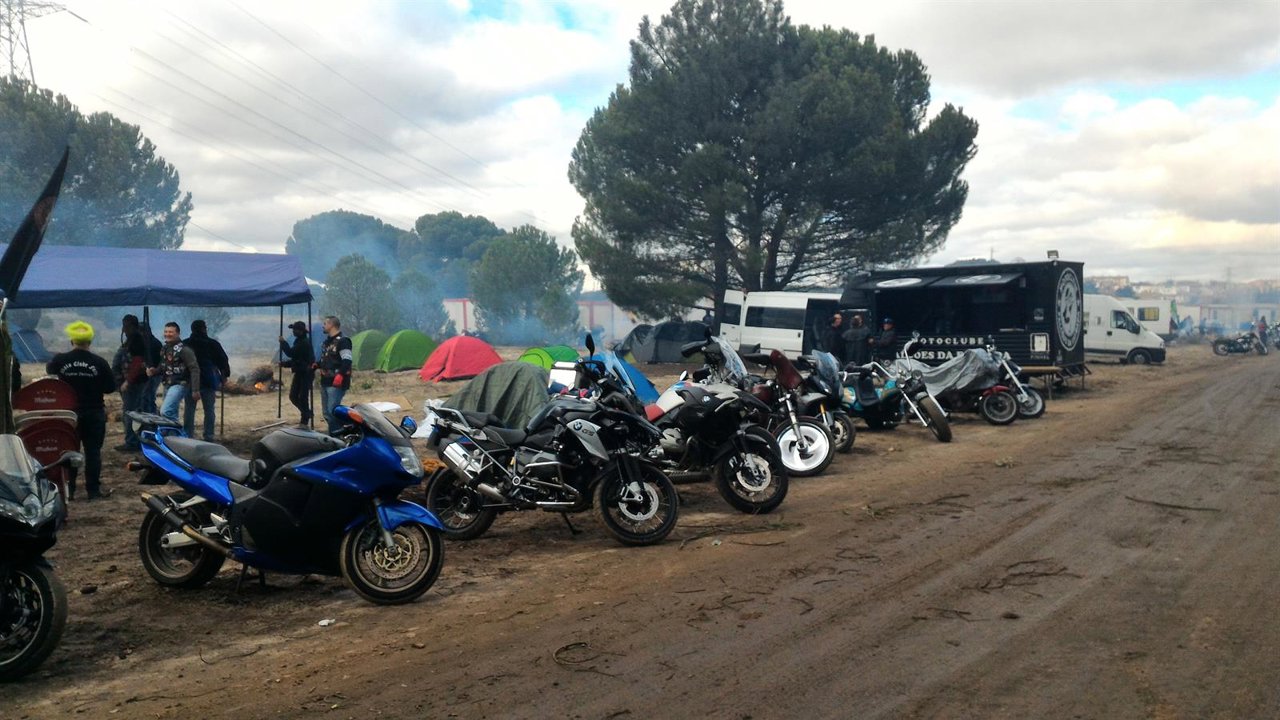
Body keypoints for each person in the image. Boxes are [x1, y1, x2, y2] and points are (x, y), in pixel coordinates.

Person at [46, 321, 117, 500]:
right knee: (93, 452)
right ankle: (93, 491)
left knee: (70, 452)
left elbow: (50, 371)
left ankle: (69, 492)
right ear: (90, 342)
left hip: (70, 414)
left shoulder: (60, 360)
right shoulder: (99, 362)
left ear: (72, 340)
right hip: (94, 412)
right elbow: (110, 387)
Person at [184, 320, 230, 441]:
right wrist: (225, 375)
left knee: (189, 410)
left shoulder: (185, 344)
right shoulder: (212, 344)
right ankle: (209, 435)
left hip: (190, 381)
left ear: (192, 329)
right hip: (208, 380)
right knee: (209, 409)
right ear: (204, 329)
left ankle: (188, 435)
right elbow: (223, 360)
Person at [148, 322, 199, 426]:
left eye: (171, 332)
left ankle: (180, 432)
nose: (167, 334)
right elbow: (163, 367)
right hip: (167, 384)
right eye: (166, 332)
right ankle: (173, 437)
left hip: (180, 384)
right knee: (171, 413)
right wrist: (154, 370)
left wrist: (195, 390)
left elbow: (195, 369)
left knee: (165, 411)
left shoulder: (185, 350)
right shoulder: (165, 349)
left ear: (178, 333)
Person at [111, 320, 148, 452]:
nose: (124, 329)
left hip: (133, 383)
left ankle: (132, 442)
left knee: (130, 413)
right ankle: (134, 440)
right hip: (129, 382)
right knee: (132, 412)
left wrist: (128, 381)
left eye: (126, 326)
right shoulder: (131, 340)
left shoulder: (137, 340)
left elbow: (137, 363)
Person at [316, 315, 352, 433]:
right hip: (325, 381)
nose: (323, 325)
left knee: (333, 411)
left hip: (336, 382)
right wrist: (317, 365)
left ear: (332, 325)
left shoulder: (343, 341)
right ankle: (334, 434)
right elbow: (327, 360)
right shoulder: (327, 342)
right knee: (326, 412)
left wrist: (340, 375)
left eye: (325, 323)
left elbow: (347, 360)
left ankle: (340, 435)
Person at [279, 320, 314, 426]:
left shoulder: (304, 343)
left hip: (306, 373)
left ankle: (305, 418)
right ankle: (307, 412)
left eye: (295, 330)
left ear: (301, 331)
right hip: (300, 372)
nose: (293, 331)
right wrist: (285, 364)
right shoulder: (299, 341)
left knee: (303, 397)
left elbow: (291, 353)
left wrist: (283, 343)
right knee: (293, 396)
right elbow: (297, 359)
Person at [138, 319, 163, 414]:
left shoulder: (154, 343)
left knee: (148, 396)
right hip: (148, 373)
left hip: (155, 374)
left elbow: (160, 361)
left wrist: (153, 369)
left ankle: (151, 415)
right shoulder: (144, 343)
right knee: (146, 396)